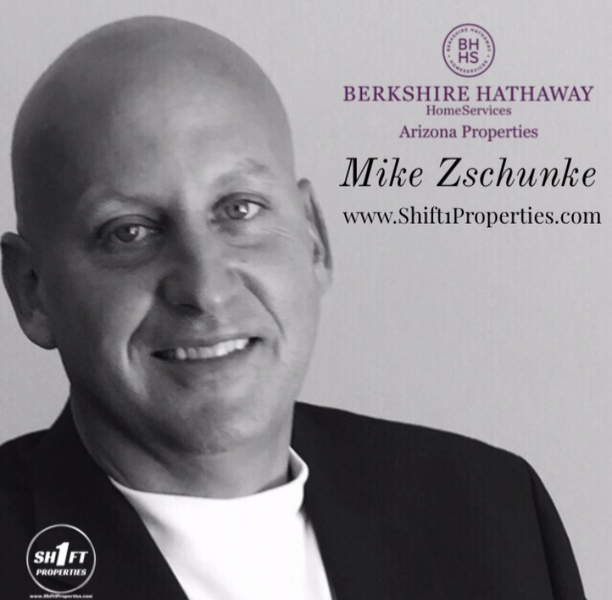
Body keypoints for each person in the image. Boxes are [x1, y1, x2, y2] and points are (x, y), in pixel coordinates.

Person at [0, 16, 585, 600]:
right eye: (129, 232)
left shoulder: (494, 512)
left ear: (314, 239)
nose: (206, 289)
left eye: (240, 209)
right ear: (31, 291)